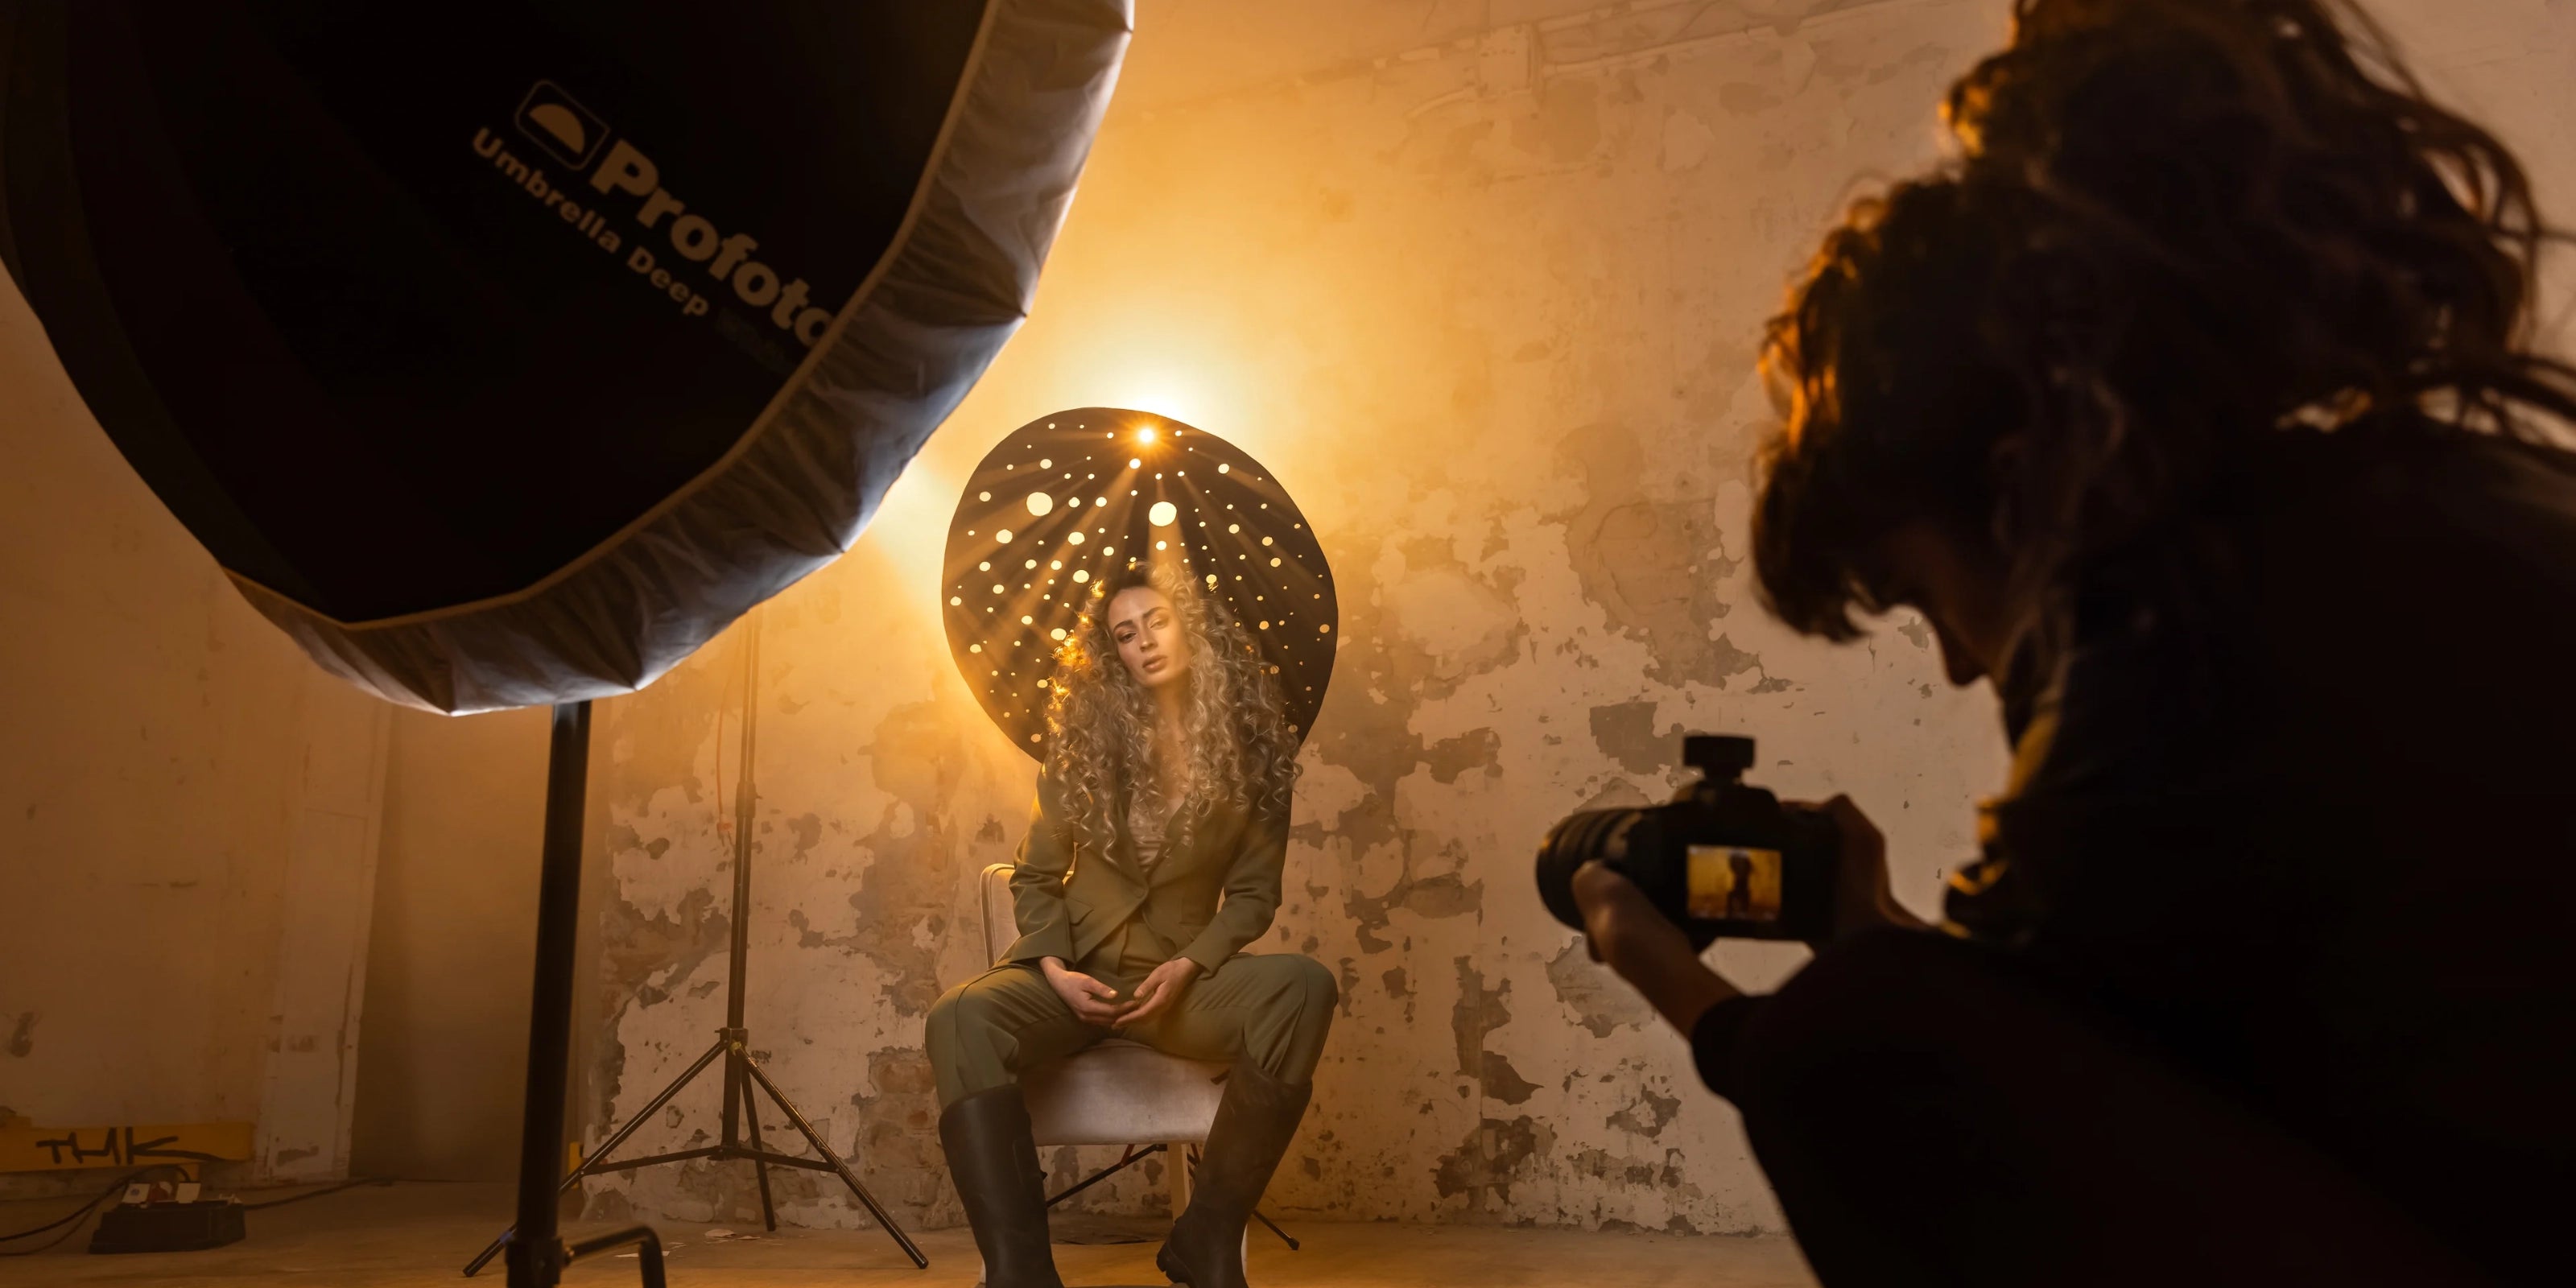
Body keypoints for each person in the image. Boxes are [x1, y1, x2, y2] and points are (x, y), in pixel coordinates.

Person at [1571, 2, 2576, 1285]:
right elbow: (2129, 1062)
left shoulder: (2178, 639)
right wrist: (1873, 921)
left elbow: (1947, 1080)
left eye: (1924, 595)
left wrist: (1681, 987)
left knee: (1846, 1043)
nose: (1958, 664)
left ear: (2007, 489)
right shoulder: (2436, 492)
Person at [927, 562, 1335, 1288]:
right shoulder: (1081, 743)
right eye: (1124, 633)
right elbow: (1038, 875)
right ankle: (1020, 1274)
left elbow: (1251, 897)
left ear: (1194, 630)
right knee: (959, 1016)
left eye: (1158, 621)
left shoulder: (1258, 759)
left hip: (1175, 986)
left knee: (1304, 988)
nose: (1143, 642)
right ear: (1111, 654)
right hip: (1071, 976)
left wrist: (1191, 965)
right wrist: (1052, 968)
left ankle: (1204, 1238)